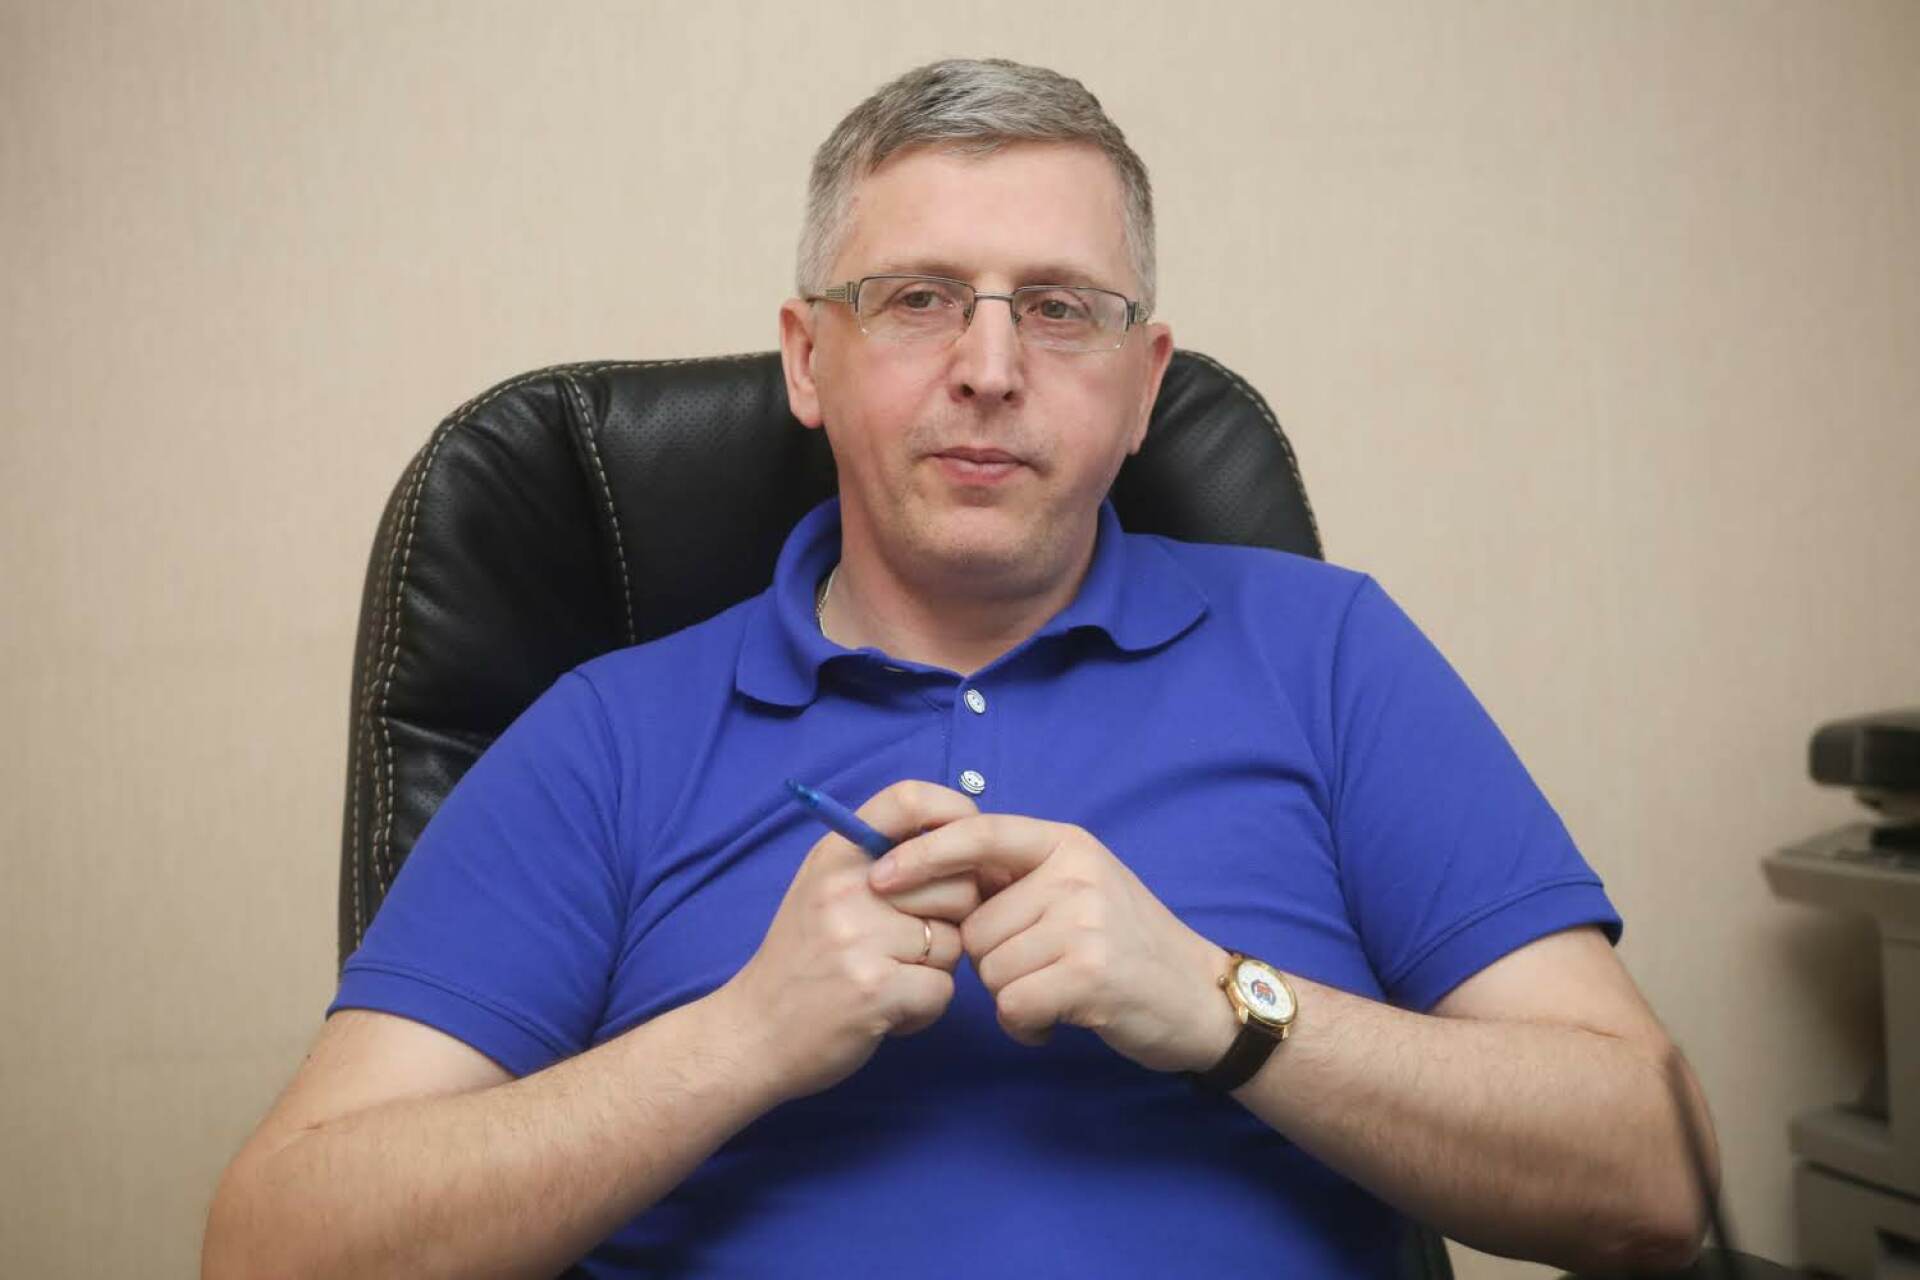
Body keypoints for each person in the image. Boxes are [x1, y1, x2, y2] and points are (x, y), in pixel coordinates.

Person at [204, 58, 1717, 1278]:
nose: (990, 368)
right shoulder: (608, 734)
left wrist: (1223, 1007)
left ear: (1145, 384)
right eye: (918, 298)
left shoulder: (1328, 653)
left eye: (1060, 309)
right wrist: (738, 1042)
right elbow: (274, 1247)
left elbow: (1654, 1176)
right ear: (808, 357)